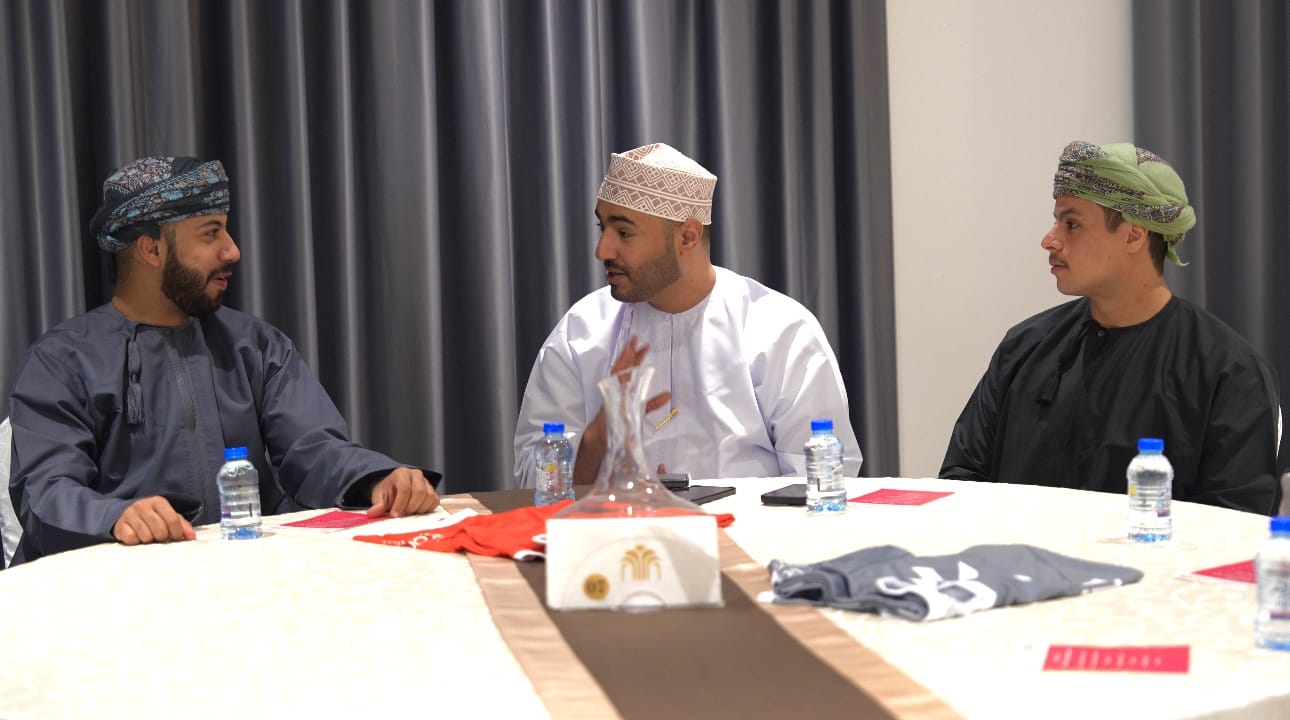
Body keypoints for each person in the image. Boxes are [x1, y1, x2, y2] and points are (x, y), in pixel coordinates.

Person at [6, 156, 441, 565]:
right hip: (114, 587)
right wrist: (115, 517)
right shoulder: (62, 361)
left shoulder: (255, 344)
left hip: (242, 574)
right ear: (151, 251)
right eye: (210, 233)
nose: (232, 251)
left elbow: (314, 448)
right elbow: (46, 491)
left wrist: (377, 479)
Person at [940, 140, 1280, 514]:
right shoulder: (1024, 347)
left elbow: (1235, 523)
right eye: (1056, 221)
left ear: (1134, 235)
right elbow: (962, 480)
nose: (1049, 240)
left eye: (1072, 224)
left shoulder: (1227, 372)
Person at [513, 142, 861, 488]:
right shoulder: (582, 331)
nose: (602, 250)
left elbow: (824, 481)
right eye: (602, 228)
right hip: (621, 524)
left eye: (624, 233)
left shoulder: (780, 330)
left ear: (688, 237)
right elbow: (534, 482)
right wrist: (600, 432)